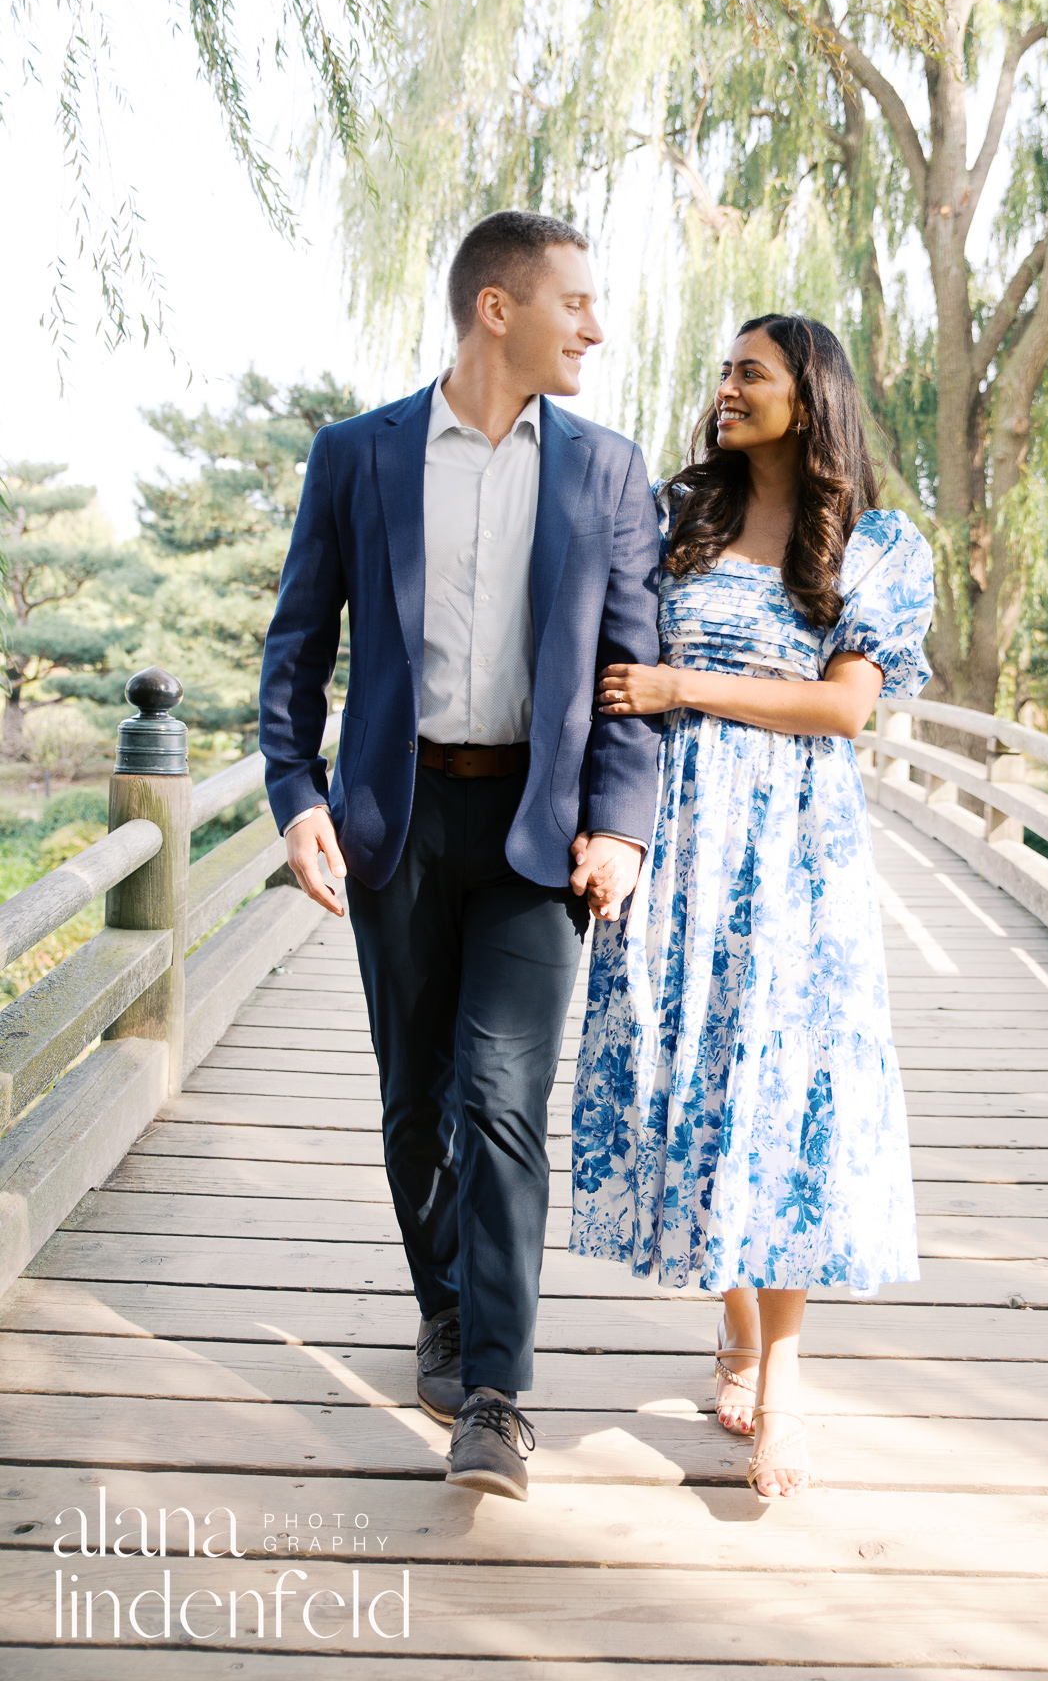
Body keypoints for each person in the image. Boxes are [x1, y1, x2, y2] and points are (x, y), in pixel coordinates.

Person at [258, 210, 661, 1503]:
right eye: (575, 303)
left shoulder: (605, 469)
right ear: (498, 308)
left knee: (496, 1096)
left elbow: (629, 679)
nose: (593, 327)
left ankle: (494, 1391)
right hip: (400, 820)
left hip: (536, 835)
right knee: (411, 1101)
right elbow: (296, 647)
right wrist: (293, 793)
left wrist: (624, 822)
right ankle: (442, 1306)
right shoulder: (358, 456)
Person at [569, 313, 933, 1499]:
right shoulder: (679, 521)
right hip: (677, 839)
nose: (725, 387)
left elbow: (842, 711)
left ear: (807, 394)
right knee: (698, 1086)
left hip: (792, 856)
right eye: (722, 369)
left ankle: (779, 1389)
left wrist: (682, 683)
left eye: (750, 372)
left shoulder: (877, 544)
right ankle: (730, 1324)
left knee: (783, 1105)